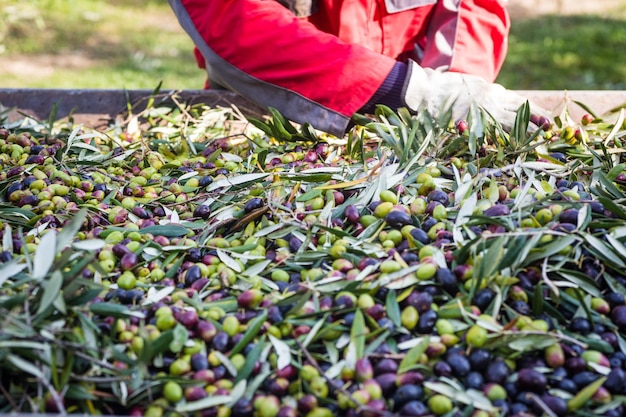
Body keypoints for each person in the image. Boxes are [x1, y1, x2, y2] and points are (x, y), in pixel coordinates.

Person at [168, 0, 546, 136]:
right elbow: (237, 23)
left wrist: (456, 91)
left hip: (401, 130)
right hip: (264, 122)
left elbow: (470, 8)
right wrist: (415, 92)